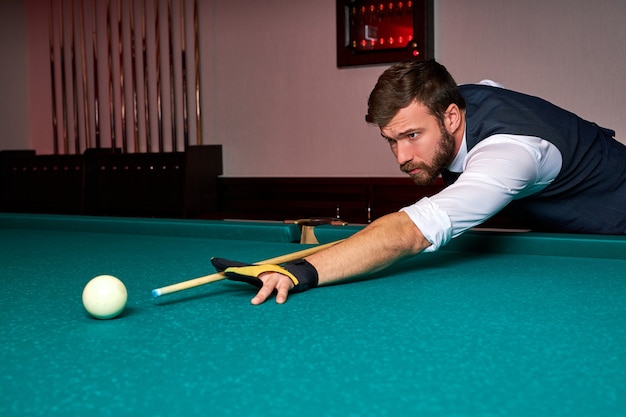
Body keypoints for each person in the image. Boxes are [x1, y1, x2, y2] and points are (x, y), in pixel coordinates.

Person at [212, 59, 626, 305]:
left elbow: (410, 233)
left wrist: (298, 272)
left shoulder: (509, 154)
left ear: (450, 117)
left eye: (412, 136)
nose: (402, 157)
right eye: (390, 141)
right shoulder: (455, 101)